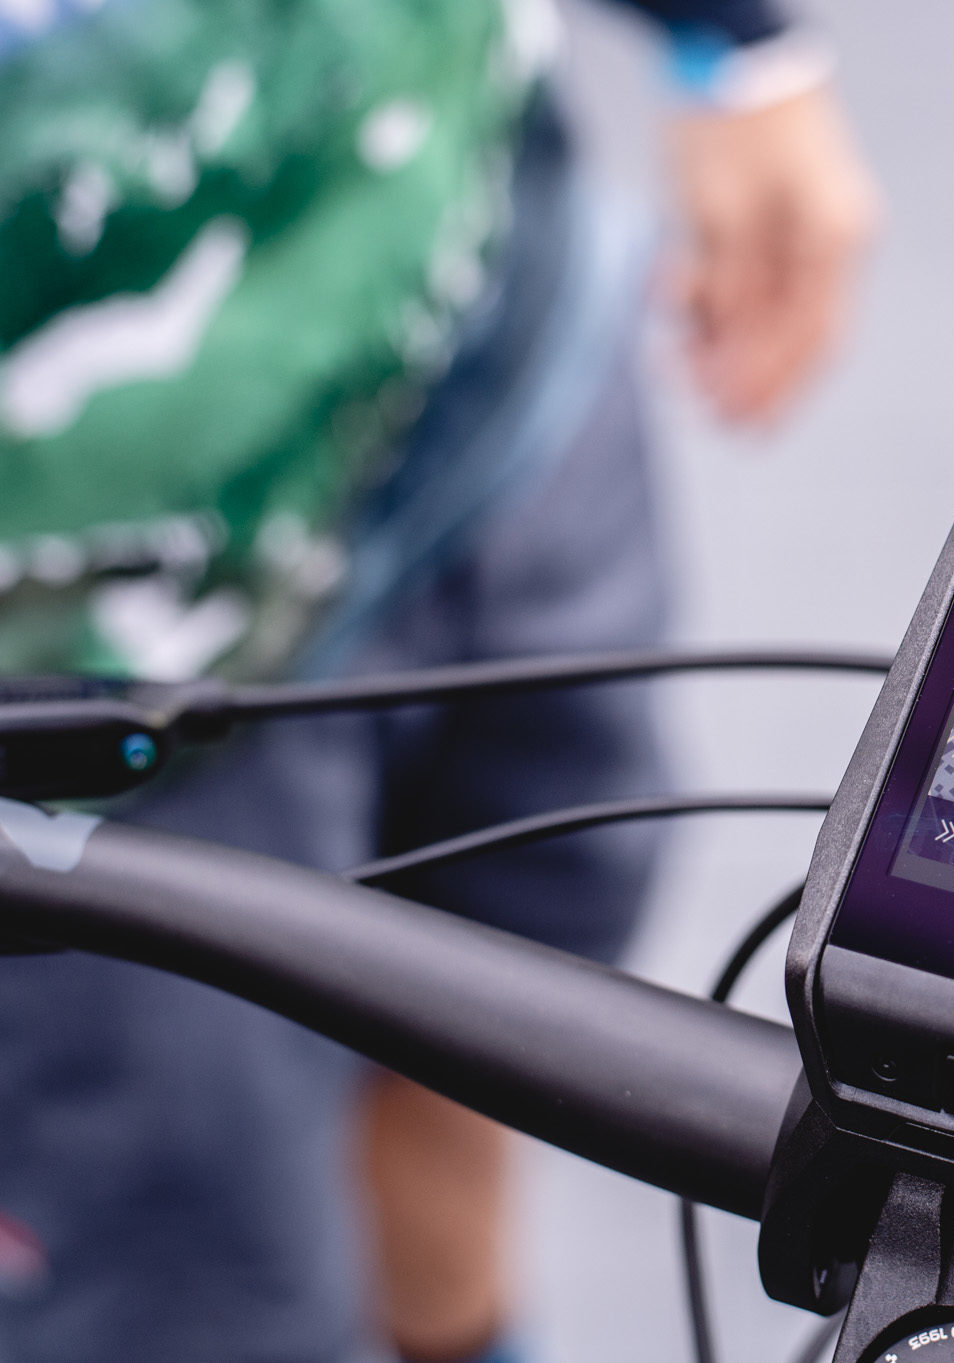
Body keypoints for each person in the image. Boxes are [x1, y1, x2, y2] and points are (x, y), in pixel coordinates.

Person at [0, 1, 877, 1360]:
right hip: (70, 645)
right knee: (195, 1293)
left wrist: (736, 47)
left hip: (478, 325)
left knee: (490, 1019)